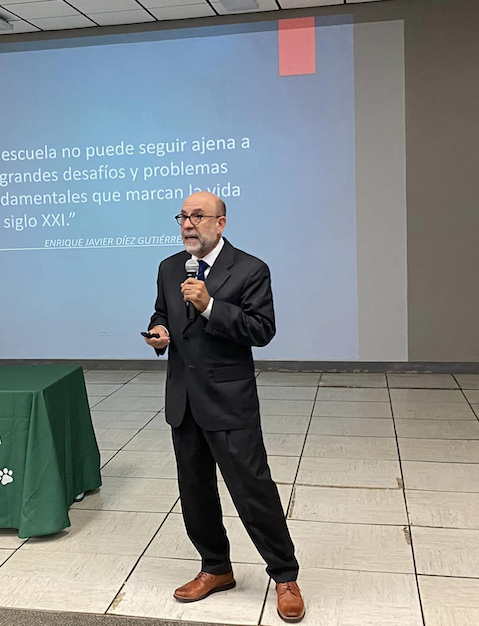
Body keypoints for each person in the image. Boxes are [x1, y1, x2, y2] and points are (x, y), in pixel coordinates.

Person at [144, 192, 305, 623]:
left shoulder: (251, 269)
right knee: (195, 491)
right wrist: (160, 330)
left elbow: (261, 329)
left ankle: (285, 575)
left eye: (198, 216)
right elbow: (162, 312)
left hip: (229, 400)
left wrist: (210, 305)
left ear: (221, 224)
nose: (188, 224)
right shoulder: (169, 267)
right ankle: (215, 567)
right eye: (183, 216)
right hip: (183, 399)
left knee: (253, 489)